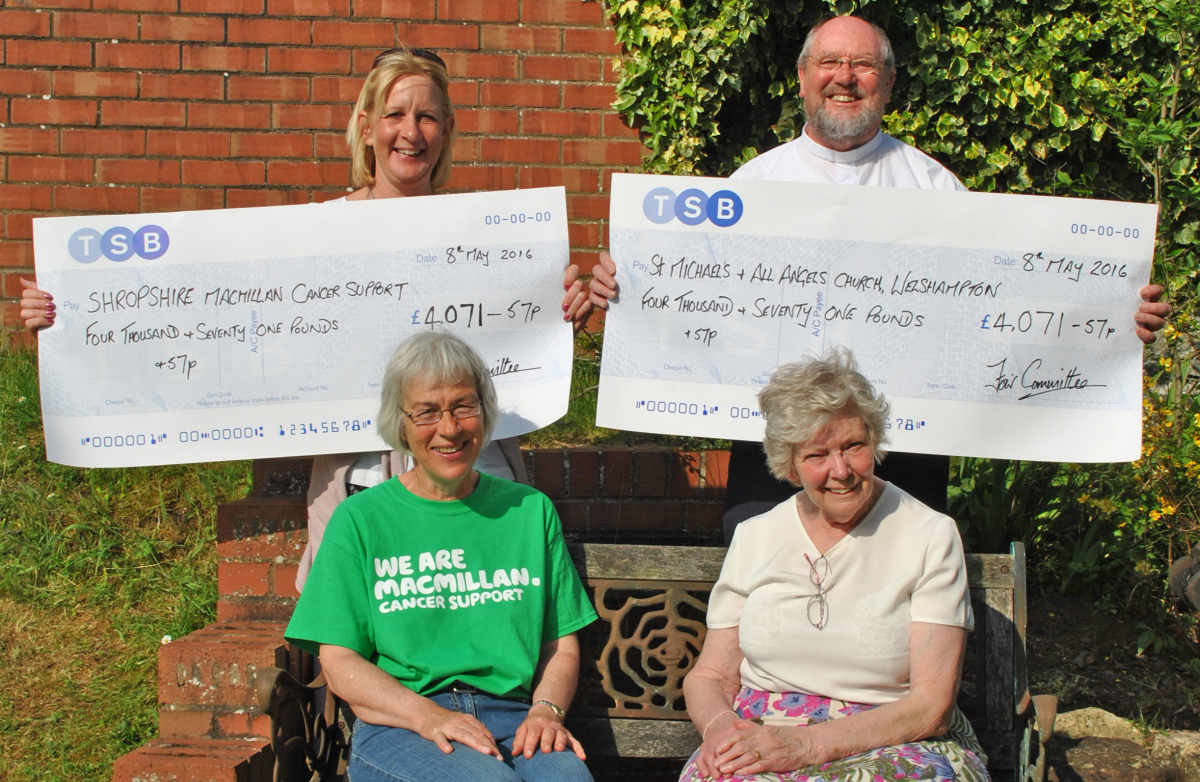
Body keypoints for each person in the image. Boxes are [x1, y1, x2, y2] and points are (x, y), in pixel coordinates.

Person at [19, 46, 595, 591]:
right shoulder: (316, 234)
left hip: (476, 480)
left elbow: (514, 343)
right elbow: (206, 317)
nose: (411, 131)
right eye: (395, 114)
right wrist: (69, 315)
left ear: (445, 131)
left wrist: (559, 317)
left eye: (427, 117)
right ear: (366, 127)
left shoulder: (488, 240)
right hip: (364, 486)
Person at [580, 15, 1171, 539]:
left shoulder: (936, 190)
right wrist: (627, 287)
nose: (845, 77)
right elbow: (692, 298)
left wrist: (1109, 314)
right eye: (829, 62)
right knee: (766, 589)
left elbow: (1006, 302)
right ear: (802, 77)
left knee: (898, 595)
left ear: (886, 83)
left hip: (901, 453)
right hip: (778, 451)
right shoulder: (751, 186)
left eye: (862, 64)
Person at [286, 329, 598, 782]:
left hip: (515, 716)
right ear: (401, 423)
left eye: (463, 406)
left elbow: (559, 643)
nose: (449, 428)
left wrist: (546, 711)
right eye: (427, 412)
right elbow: (339, 660)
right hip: (402, 723)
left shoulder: (530, 511)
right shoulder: (360, 520)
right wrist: (427, 716)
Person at [679, 349, 988, 782]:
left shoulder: (930, 534)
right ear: (790, 465)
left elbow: (930, 707)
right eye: (816, 456)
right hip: (759, 732)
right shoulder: (756, 535)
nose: (840, 470)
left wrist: (804, 746)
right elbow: (710, 676)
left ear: (874, 441)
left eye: (853, 447)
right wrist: (721, 729)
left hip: (895, 738)